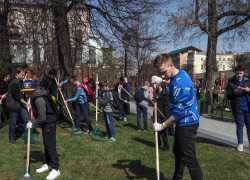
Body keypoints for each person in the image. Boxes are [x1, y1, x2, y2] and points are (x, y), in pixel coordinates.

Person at [152, 54, 203, 180]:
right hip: (185, 122)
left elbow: (177, 114)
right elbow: (172, 81)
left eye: (163, 73)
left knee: (189, 159)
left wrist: (162, 125)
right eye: (160, 74)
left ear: (171, 65)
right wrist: (162, 81)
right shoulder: (179, 74)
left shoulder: (180, 84)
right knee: (179, 153)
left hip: (187, 123)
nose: (163, 76)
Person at [23, 80, 60, 180]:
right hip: (45, 122)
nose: (29, 95)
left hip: (49, 122)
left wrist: (33, 124)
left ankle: (55, 169)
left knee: (50, 145)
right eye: (27, 93)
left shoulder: (39, 99)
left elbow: (42, 118)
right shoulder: (34, 97)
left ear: (36, 90)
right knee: (46, 144)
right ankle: (48, 164)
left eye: (30, 93)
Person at [226, 65, 250, 152]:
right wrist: (236, 91)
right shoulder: (231, 82)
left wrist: (248, 90)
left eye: (241, 73)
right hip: (238, 108)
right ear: (235, 73)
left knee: (249, 126)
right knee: (240, 126)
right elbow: (228, 96)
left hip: (248, 107)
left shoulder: (248, 80)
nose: (239, 75)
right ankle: (240, 144)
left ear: (243, 73)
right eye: (237, 73)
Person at [6, 67, 29, 145]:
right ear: (17, 74)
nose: (23, 77)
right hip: (13, 105)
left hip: (20, 104)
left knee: (26, 119)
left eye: (24, 75)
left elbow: (22, 94)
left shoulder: (20, 82)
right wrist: (26, 103)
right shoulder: (14, 83)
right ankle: (12, 137)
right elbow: (16, 96)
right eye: (22, 75)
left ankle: (28, 137)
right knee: (13, 122)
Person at [154, 81, 171, 152]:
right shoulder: (156, 93)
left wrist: (166, 116)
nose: (154, 85)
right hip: (156, 114)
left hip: (162, 115)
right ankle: (158, 143)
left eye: (156, 84)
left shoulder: (165, 94)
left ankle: (167, 147)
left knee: (162, 132)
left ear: (159, 84)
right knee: (155, 130)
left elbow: (166, 106)